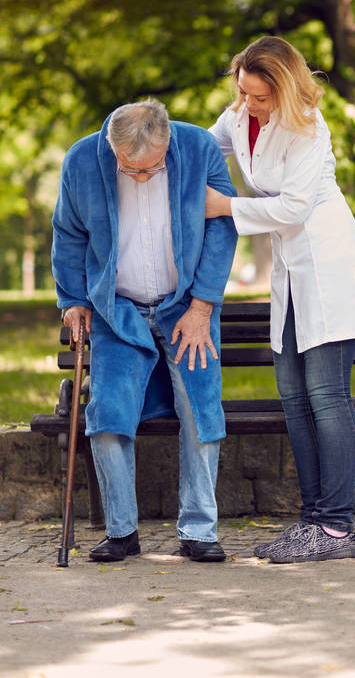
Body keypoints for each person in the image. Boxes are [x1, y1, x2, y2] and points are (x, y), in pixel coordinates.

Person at [206, 36, 355, 563]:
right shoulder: (239, 115)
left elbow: (296, 208)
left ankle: (336, 529)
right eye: (243, 93)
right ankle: (312, 521)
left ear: (282, 88)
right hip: (290, 273)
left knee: (327, 397)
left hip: (329, 266)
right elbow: (198, 145)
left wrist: (224, 206)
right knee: (294, 399)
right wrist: (145, 142)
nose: (248, 105)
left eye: (260, 97)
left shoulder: (308, 125)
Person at [52, 98, 237, 564]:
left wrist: (202, 305)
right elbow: (68, 233)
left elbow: (222, 228)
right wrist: (73, 300)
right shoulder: (82, 159)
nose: (137, 176)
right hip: (118, 310)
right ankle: (121, 531)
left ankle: (198, 530)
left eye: (149, 170)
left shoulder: (197, 148)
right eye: (128, 168)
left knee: (199, 407)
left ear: (167, 143)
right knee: (107, 412)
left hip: (187, 308)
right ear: (111, 146)